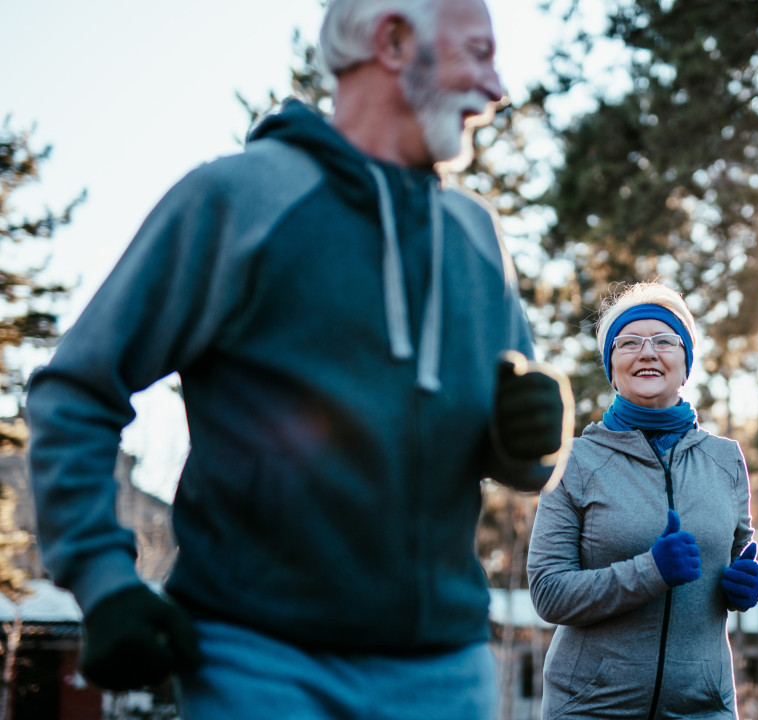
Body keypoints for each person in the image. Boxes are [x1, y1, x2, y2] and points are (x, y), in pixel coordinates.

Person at [24, 0, 572, 717]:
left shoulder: (475, 234)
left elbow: (511, 452)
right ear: (394, 40)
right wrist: (105, 583)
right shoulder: (241, 198)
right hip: (261, 662)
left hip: (445, 668)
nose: (497, 89)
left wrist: (527, 440)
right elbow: (77, 390)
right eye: (478, 53)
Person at [525, 282, 758, 719]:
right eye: (630, 342)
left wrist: (744, 585)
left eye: (664, 341)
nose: (648, 352)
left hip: (703, 706)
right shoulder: (575, 460)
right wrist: (650, 571)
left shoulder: (726, 459)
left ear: (685, 361)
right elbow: (548, 593)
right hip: (591, 707)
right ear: (611, 366)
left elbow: (735, 557)